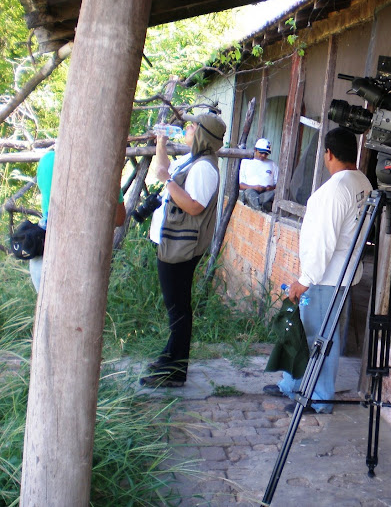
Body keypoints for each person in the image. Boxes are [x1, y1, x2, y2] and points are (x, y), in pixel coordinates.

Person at [263, 127, 373, 413]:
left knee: (319, 338)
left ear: (328, 154)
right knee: (307, 332)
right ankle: (293, 384)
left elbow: (324, 241)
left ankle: (319, 398)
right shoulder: (362, 182)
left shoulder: (336, 189)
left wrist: (305, 279)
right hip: (341, 275)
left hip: (325, 278)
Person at [140, 111, 226, 388]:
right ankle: (170, 359)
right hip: (173, 241)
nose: (187, 128)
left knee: (178, 308)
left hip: (182, 246)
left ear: (202, 133)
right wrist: (162, 143)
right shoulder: (194, 160)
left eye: (193, 125)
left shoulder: (204, 168)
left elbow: (194, 206)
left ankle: (175, 370)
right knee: (175, 306)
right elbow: (162, 168)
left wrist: (167, 180)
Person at [30, 148, 125, 291]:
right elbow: (119, 219)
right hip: (79, 252)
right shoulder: (102, 166)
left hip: (44, 248)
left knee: (48, 311)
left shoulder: (47, 160)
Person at [239, 137, 279, 212]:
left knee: (274, 193)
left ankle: (262, 204)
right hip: (252, 192)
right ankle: (262, 207)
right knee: (249, 192)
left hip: (266, 193)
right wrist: (254, 187)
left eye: (266, 153)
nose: (263, 155)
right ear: (255, 150)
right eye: (261, 152)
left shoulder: (272, 164)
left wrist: (270, 188)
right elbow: (240, 185)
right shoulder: (246, 162)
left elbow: (278, 185)